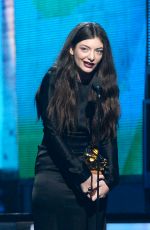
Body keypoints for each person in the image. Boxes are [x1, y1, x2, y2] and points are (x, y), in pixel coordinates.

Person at [32, 22, 120, 230]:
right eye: (85, 49)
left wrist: (110, 178)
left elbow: (107, 134)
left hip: (91, 171)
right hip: (57, 170)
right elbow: (53, 133)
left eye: (98, 51)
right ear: (71, 49)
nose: (91, 57)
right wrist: (81, 175)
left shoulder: (104, 84)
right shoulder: (54, 78)